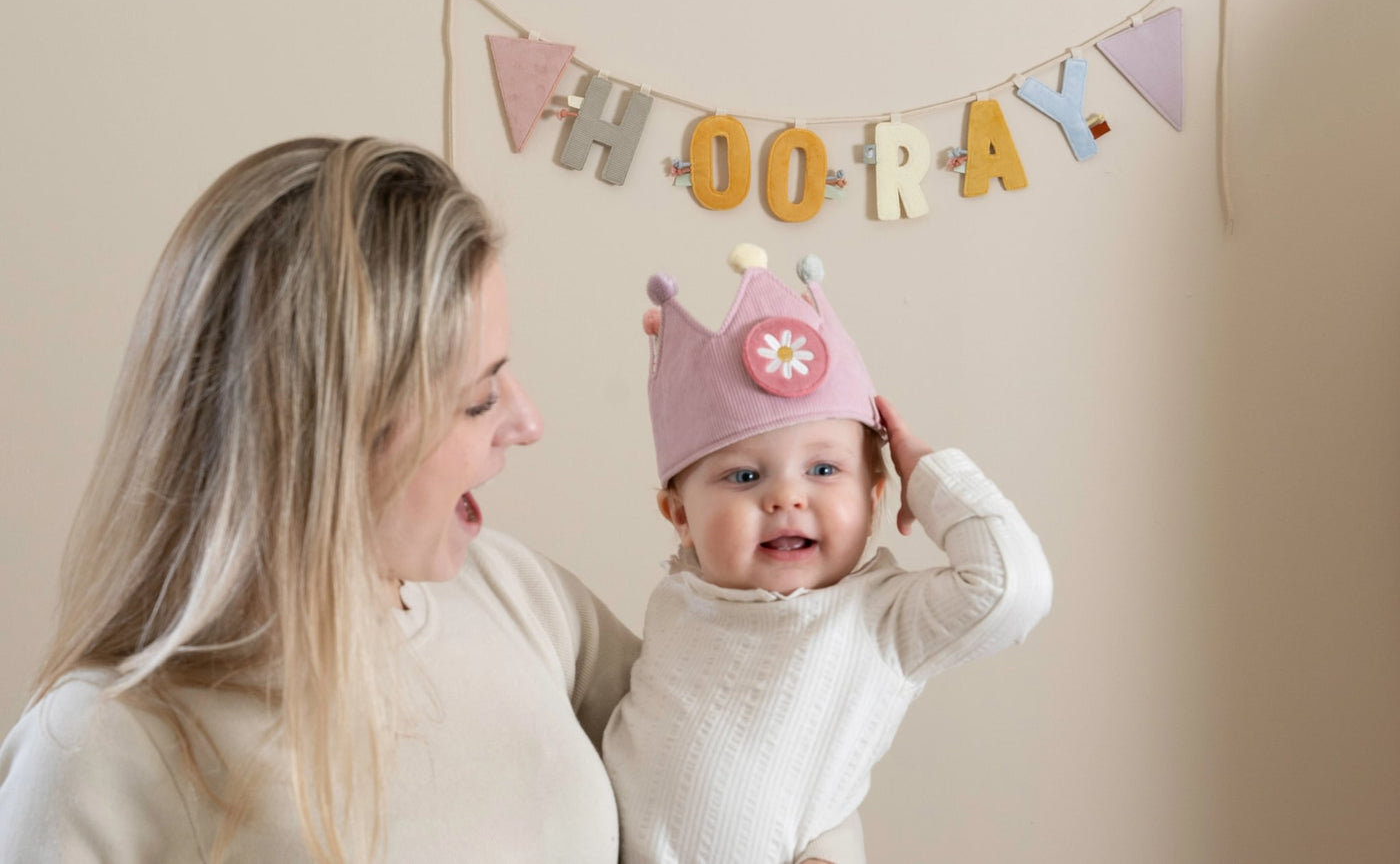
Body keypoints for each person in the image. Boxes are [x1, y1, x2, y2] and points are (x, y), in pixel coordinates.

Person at [0, 139, 864, 863]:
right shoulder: (101, 749)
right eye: (479, 398)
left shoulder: (519, 594)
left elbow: (754, 747)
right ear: (329, 433)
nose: (527, 422)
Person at [602, 245, 1055, 864]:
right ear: (680, 517)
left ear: (873, 498)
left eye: (823, 469)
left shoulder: (881, 619)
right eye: (743, 476)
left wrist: (925, 473)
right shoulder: (678, 602)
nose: (787, 497)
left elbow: (1013, 588)